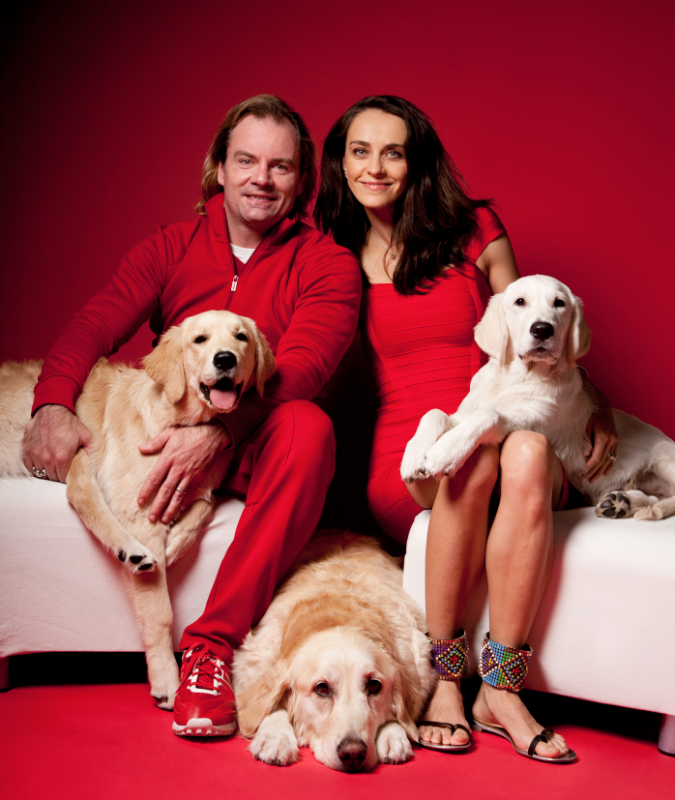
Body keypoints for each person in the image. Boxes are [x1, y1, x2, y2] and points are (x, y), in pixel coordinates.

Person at [22, 94, 362, 737]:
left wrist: (221, 434)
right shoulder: (171, 246)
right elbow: (94, 323)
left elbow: (304, 368)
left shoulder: (327, 264)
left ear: (304, 180)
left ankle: (209, 649)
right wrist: (52, 403)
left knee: (310, 427)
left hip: (262, 443)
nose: (262, 178)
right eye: (246, 161)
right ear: (219, 168)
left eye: (281, 166)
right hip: (166, 436)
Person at [315, 95, 617, 762]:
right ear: (338, 163)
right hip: (414, 453)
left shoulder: (473, 227)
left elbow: (537, 331)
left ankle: (499, 689)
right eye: (358, 151)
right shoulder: (330, 255)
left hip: (511, 430)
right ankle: (447, 678)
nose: (374, 166)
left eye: (391, 151)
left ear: (414, 159)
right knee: (471, 461)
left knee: (527, 448)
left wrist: (592, 404)